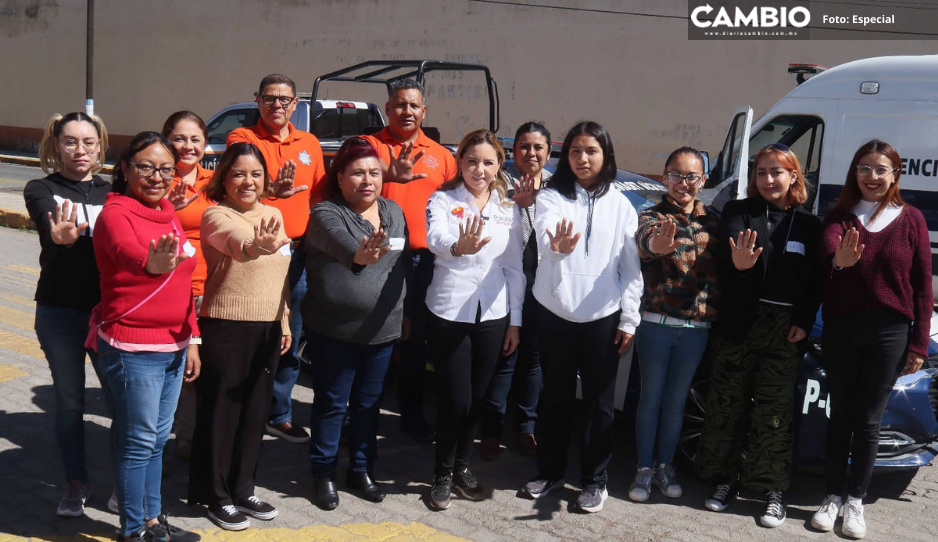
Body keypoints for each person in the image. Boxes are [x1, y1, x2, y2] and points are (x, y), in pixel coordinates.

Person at [695, 144, 822, 528]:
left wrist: (803, 318)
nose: (768, 180)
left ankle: (771, 492)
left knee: (774, 412)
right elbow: (731, 253)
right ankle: (724, 480)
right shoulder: (740, 211)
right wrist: (740, 263)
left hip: (784, 329)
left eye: (777, 172)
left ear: (793, 176)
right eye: (762, 172)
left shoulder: (809, 226)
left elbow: (816, 282)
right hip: (739, 323)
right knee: (726, 404)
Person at [521, 121, 643, 514]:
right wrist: (556, 249)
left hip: (602, 318)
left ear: (605, 155)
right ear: (565, 156)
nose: (582, 159)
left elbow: (630, 268)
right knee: (554, 398)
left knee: (598, 405)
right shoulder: (551, 196)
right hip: (555, 312)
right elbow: (545, 240)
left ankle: (594, 481)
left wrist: (629, 318)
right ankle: (550, 471)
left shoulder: (622, 206)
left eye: (591, 151)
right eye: (575, 151)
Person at [812, 140, 932, 539]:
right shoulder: (840, 216)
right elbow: (829, 257)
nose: (872, 176)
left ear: (895, 174)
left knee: (868, 421)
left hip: (889, 333)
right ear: (854, 172)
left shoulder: (911, 219)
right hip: (845, 329)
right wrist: (839, 263)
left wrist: (917, 343)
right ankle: (831, 497)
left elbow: (921, 287)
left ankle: (855, 503)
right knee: (841, 416)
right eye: (864, 168)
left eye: (881, 169)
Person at [93, 131, 201, 542]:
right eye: (146, 167)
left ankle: (153, 521)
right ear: (124, 169)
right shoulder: (116, 213)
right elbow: (127, 253)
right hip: (132, 347)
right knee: (138, 442)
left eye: (166, 169)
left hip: (173, 345)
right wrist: (151, 264)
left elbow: (185, 282)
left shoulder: (167, 212)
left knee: (156, 440)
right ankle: (133, 529)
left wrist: (192, 338)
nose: (157, 177)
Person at [187, 143, 291, 530]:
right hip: (226, 326)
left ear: (265, 179)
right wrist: (254, 246)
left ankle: (243, 488)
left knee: (254, 414)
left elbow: (279, 273)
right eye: (238, 174)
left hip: (267, 327)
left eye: (255, 174)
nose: (248, 181)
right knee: (220, 415)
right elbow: (237, 243)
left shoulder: (274, 213)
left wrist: (283, 320)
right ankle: (214, 495)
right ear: (224, 179)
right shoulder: (216, 214)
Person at [303, 137, 409, 511]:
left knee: (368, 405)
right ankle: (323, 474)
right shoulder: (325, 215)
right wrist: (360, 255)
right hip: (334, 331)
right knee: (332, 404)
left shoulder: (394, 211)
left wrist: (404, 314)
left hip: (382, 331)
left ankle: (361, 470)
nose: (368, 180)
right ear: (341, 178)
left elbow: (399, 265)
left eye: (374, 173)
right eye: (358, 173)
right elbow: (347, 249)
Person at [424, 129, 524, 510]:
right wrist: (456, 247)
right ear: (459, 162)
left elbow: (514, 268)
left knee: (477, 398)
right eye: (471, 161)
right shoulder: (443, 200)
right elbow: (435, 238)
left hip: (493, 313)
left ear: (499, 164)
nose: (478, 169)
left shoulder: (507, 207)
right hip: (451, 311)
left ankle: (463, 467)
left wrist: (515, 321)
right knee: (456, 399)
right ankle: (442, 473)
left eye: (487, 162)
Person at [228, 73, 326, 444]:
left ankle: (279, 412)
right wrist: (271, 190)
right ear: (257, 101)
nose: (277, 106)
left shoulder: (310, 143)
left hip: (298, 253)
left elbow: (319, 196)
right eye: (269, 98)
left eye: (284, 100)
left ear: (295, 104)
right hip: (255, 251)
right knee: (252, 329)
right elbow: (239, 186)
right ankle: (241, 404)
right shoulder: (244, 139)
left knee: (290, 335)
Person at [24, 112, 110, 517]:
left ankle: (125, 484)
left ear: (100, 147)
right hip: (59, 312)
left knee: (120, 401)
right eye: (71, 141)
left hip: (109, 313)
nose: (81, 150)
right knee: (70, 400)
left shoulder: (114, 192)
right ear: (56, 145)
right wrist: (58, 234)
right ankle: (76, 482)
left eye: (88, 142)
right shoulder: (41, 188)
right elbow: (48, 226)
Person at [362, 79, 458, 443]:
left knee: (414, 343)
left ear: (424, 111)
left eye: (414, 106)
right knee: (373, 337)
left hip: (425, 262)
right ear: (387, 109)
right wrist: (386, 172)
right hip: (379, 259)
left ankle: (411, 415)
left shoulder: (442, 156)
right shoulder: (370, 147)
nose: (407, 112)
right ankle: (362, 417)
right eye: (399, 105)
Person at [628, 147, 721, 503]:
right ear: (664, 177)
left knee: (676, 402)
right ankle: (643, 469)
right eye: (676, 175)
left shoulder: (714, 222)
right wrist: (658, 244)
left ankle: (666, 466)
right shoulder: (650, 215)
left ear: (703, 180)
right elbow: (646, 244)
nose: (683, 183)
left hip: (696, 330)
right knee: (650, 398)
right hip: (656, 325)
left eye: (691, 176)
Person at [479, 121, 552, 459]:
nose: (531, 153)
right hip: (503, 283)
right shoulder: (496, 185)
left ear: (548, 153)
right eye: (525, 146)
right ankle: (490, 430)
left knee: (533, 362)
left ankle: (526, 427)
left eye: (538, 147)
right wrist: (518, 205)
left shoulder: (557, 190)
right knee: (503, 359)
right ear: (513, 151)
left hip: (542, 287)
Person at [162, 110, 215, 460]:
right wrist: (168, 208)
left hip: (216, 290)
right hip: (174, 290)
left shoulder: (217, 180)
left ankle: (201, 439)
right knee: (180, 372)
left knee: (208, 369)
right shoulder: (155, 179)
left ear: (206, 144)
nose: (188, 146)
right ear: (167, 140)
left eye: (195, 139)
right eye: (180, 138)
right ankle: (182, 441)